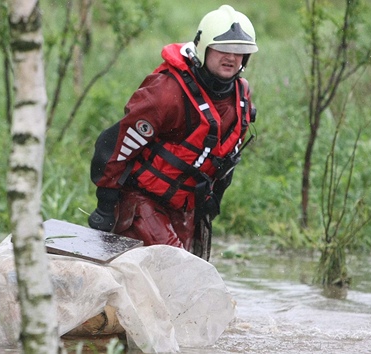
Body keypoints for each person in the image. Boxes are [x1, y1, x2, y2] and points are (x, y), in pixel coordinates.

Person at [88, 4, 258, 260]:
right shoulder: (166, 93)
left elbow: (224, 160)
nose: (231, 58)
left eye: (239, 52)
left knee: (192, 277)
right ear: (204, 48)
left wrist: (211, 202)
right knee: (178, 268)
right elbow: (114, 144)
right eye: (223, 49)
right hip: (142, 201)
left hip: (186, 207)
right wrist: (106, 203)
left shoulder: (241, 97)